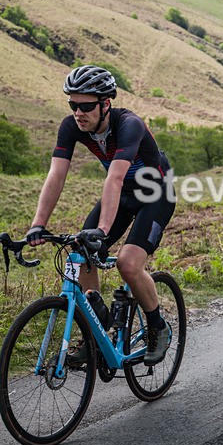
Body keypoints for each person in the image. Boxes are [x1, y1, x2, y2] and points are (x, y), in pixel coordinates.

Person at [26, 65, 174, 366]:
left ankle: (157, 327)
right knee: (80, 255)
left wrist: (103, 230)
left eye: (86, 106)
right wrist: (37, 224)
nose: (79, 112)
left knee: (128, 264)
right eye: (73, 105)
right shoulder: (71, 127)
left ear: (105, 103)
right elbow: (56, 175)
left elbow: (115, 178)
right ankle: (96, 329)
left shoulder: (128, 124)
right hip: (121, 194)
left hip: (155, 194)